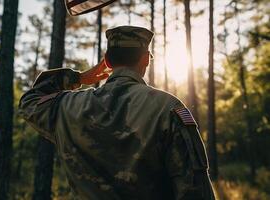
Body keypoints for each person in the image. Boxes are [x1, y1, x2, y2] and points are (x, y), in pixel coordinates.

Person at [19, 25, 215, 200]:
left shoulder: (68, 106)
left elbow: (29, 102)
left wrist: (77, 77)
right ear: (146, 59)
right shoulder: (167, 107)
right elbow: (195, 190)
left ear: (107, 62)